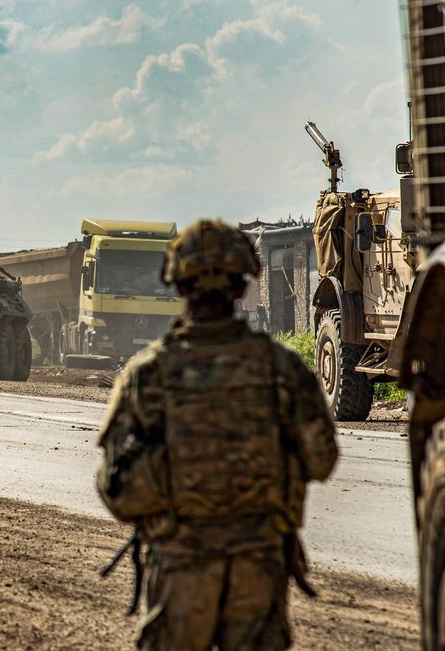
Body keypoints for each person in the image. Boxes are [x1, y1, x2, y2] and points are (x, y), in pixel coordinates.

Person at [96, 219, 337, 651]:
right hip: (259, 567)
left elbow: (117, 489)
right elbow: (321, 459)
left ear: (179, 286)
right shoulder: (281, 369)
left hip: (179, 567)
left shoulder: (148, 375)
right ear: (243, 286)